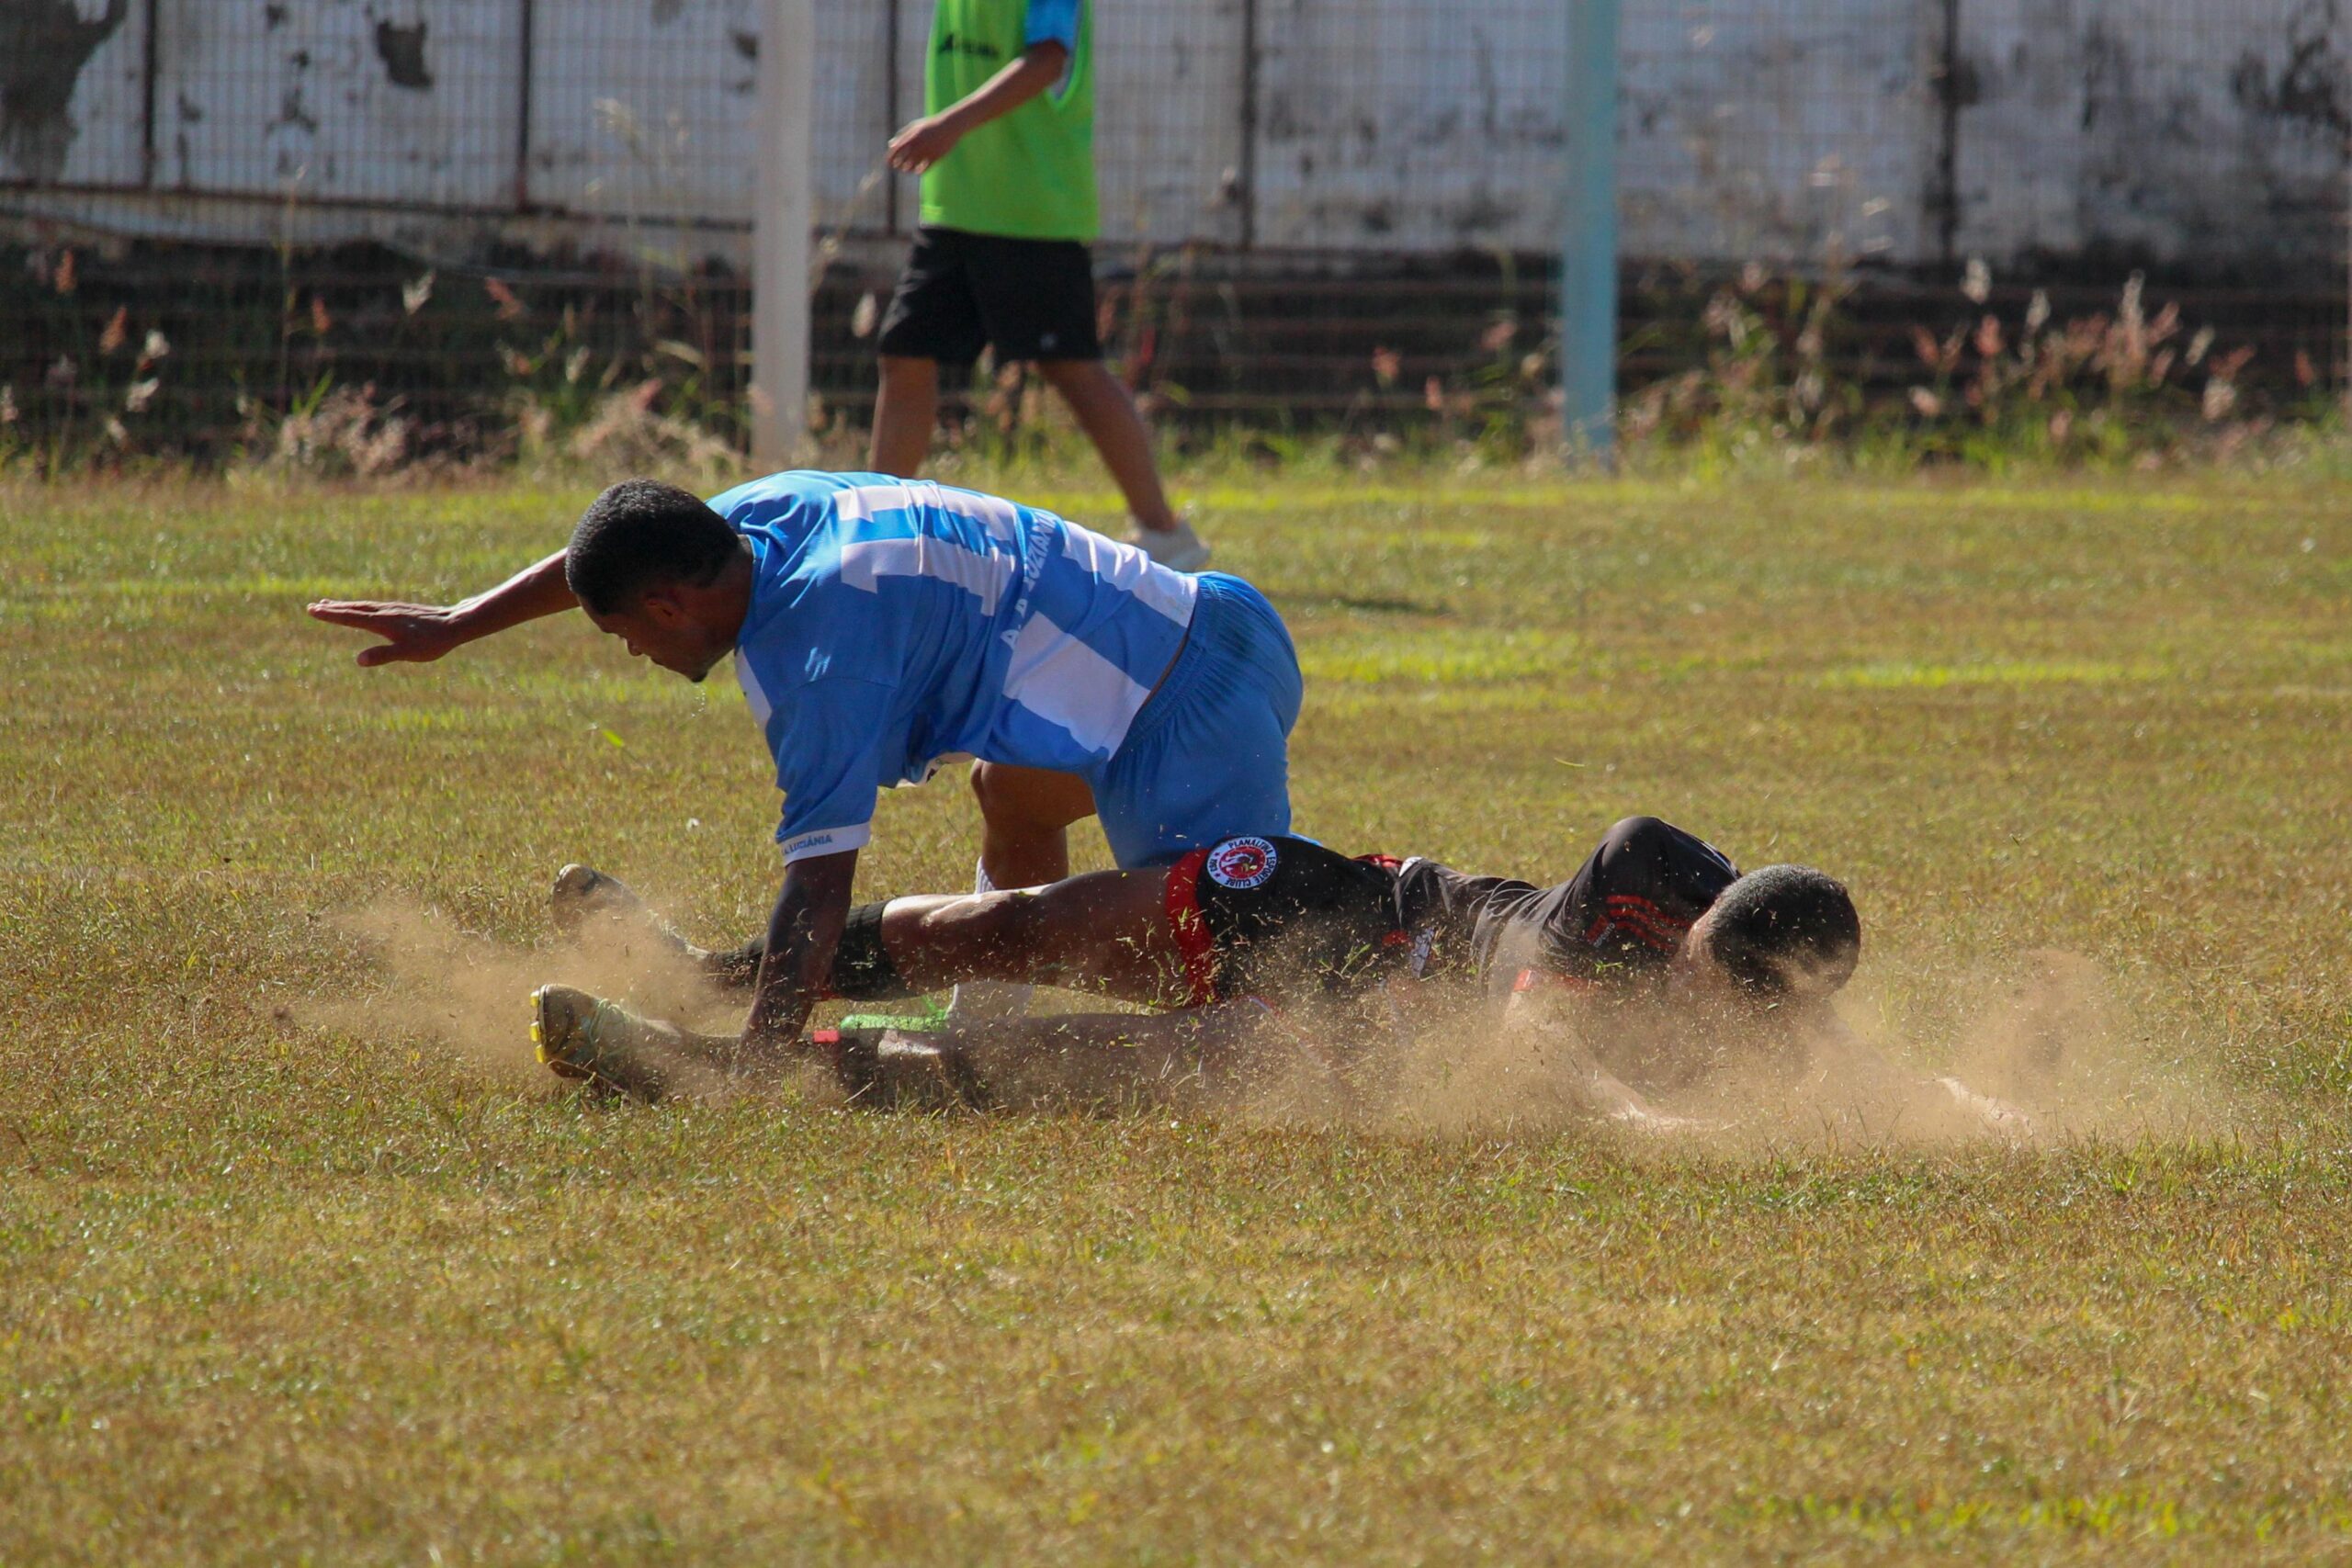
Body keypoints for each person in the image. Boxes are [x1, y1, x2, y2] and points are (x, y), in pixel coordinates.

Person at [306, 469, 1301, 1066]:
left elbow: (818, 890)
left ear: (666, 608)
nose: (629, 655)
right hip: (1213, 618)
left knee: (1243, 1014)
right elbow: (616, 554)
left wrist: (757, 1063)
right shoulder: (766, 517)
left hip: (1185, 722)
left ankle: (749, 1006)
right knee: (1011, 791)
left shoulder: (820, 659)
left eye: (620, 635)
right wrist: (461, 623)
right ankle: (972, 1023)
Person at [530, 816, 1894, 1125]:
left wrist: (1963, 1096)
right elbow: (1538, 1038)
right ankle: (713, 979)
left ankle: (716, 1066)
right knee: (1010, 920)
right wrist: (1658, 1121)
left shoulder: (1774, 983)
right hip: (1362, 908)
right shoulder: (1641, 868)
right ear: (1706, 925)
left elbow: (1841, 1048)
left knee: (1092, 1065)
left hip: (1361, 1033)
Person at [875, 0, 1209, 571]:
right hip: (956, 206)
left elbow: (1047, 62)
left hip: (1031, 211)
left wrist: (948, 124)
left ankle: (1166, 535)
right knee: (905, 354)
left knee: (1072, 368)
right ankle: (871, 528)